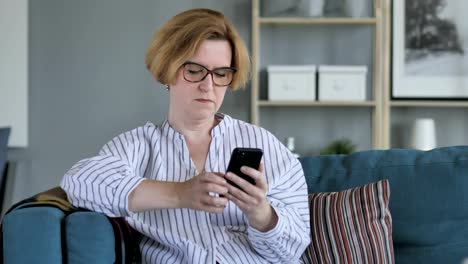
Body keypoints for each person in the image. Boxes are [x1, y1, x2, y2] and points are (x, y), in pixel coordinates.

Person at [60, 8, 310, 264]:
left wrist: (261, 214)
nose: (208, 85)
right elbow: (81, 183)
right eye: (194, 70)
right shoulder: (138, 146)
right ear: (168, 70)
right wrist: (179, 194)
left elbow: (293, 250)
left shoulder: (264, 144)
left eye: (221, 73)